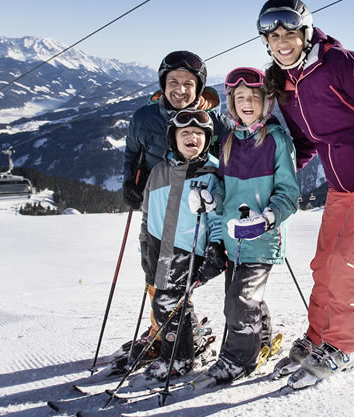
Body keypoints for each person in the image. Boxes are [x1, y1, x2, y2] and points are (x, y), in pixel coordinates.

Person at [258, 0, 354, 388]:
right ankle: (320, 337)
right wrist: (273, 179)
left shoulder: (343, 63)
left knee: (347, 260)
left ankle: (348, 345)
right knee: (324, 261)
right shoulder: (286, 83)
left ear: (306, 33)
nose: (282, 43)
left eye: (289, 34)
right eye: (273, 36)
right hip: (340, 183)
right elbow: (304, 142)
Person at [119, 51, 229, 363]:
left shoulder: (214, 122)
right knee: (154, 273)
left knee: (176, 279)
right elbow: (132, 152)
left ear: (199, 88)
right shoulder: (144, 118)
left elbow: (234, 154)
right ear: (162, 84)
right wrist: (129, 182)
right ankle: (166, 329)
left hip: (193, 213)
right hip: (156, 207)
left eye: (188, 84)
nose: (180, 89)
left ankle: (169, 335)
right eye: (173, 82)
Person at [197, 67, 301, 387]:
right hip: (233, 239)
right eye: (239, 97)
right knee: (243, 296)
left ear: (265, 102)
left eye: (253, 97)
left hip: (261, 238)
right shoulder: (229, 140)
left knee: (240, 301)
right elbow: (225, 189)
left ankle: (238, 359)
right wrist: (211, 197)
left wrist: (268, 218)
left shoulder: (277, 141)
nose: (246, 103)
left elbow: (289, 194)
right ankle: (264, 338)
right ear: (231, 103)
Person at [137, 109, 226, 381]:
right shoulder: (158, 172)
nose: (192, 137)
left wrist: (216, 247)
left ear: (207, 139)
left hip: (189, 250)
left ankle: (179, 358)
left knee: (169, 303)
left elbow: (218, 214)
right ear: (173, 139)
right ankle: (187, 344)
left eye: (199, 133)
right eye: (185, 133)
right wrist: (144, 243)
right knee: (165, 303)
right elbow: (146, 213)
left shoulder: (211, 172)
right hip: (157, 247)